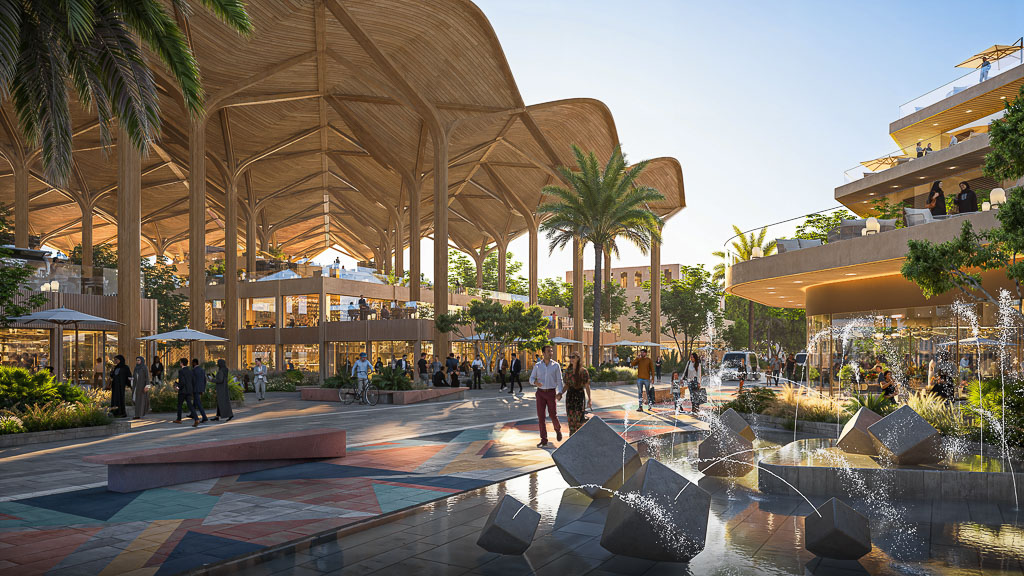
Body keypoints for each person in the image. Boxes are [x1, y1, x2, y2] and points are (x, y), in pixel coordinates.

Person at [529, 344, 564, 447]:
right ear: (543, 353)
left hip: (551, 393)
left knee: (553, 415)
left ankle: (558, 430)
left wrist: (560, 392)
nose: (551, 353)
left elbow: (559, 380)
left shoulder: (556, 365)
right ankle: (544, 439)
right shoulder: (538, 366)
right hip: (540, 393)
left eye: (551, 351)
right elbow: (531, 379)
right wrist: (535, 383)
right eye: (549, 351)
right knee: (541, 417)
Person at [563, 352, 591, 435]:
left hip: (579, 395)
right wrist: (560, 393)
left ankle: (579, 437)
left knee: (579, 418)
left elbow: (587, 386)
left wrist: (589, 399)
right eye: (570, 357)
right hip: (570, 395)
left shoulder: (583, 371)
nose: (571, 359)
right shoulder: (568, 371)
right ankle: (571, 436)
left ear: (578, 358)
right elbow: (567, 385)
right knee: (570, 418)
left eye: (573, 357)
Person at [174, 358, 199, 427]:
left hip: (182, 391)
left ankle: (179, 419)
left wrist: (178, 387)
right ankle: (196, 419)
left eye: (180, 362)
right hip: (189, 391)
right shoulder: (191, 371)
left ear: (181, 363)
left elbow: (182, 382)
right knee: (190, 405)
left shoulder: (181, 371)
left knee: (179, 405)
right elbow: (193, 381)